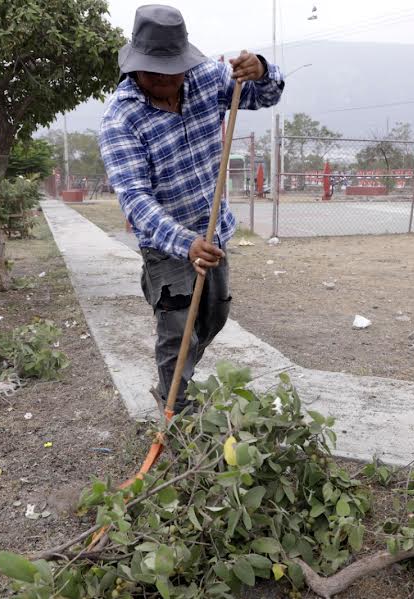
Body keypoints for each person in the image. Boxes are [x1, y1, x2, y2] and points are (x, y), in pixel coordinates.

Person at [100, 5, 285, 413]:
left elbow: (263, 95)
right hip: (167, 246)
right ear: (137, 69)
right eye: (158, 73)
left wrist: (262, 71)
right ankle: (176, 408)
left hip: (213, 229)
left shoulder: (206, 78)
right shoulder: (120, 119)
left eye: (175, 69)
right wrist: (184, 243)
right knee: (176, 327)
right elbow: (134, 197)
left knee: (214, 316)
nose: (169, 80)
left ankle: (179, 375)